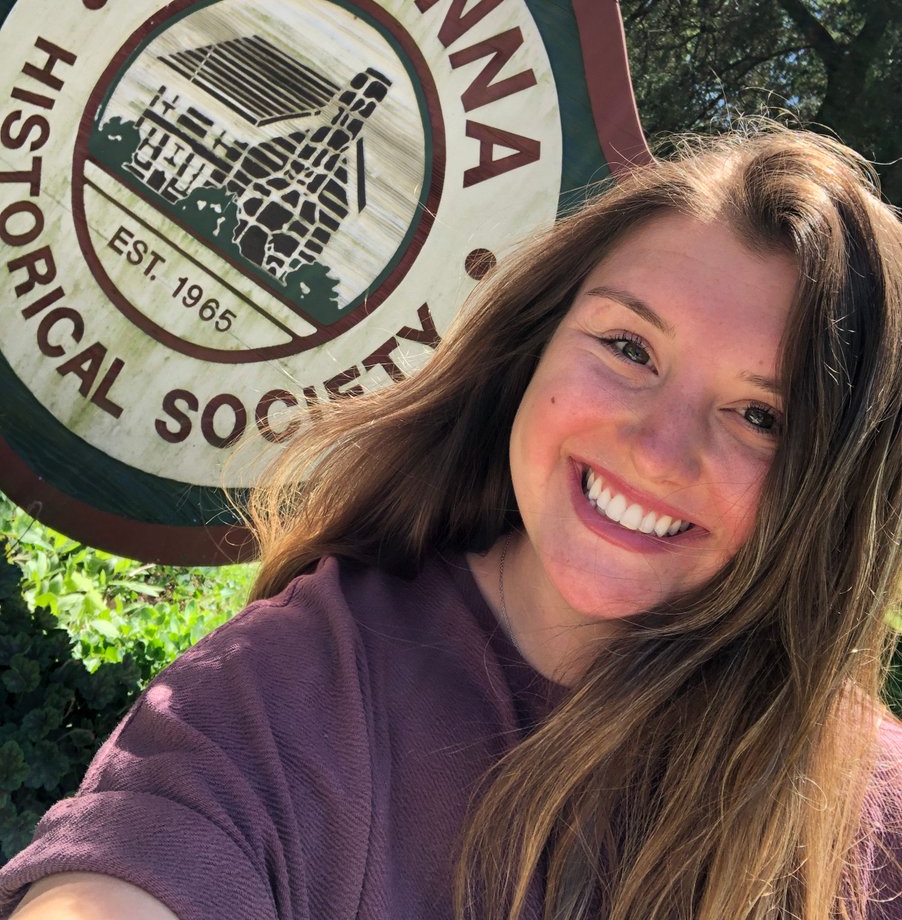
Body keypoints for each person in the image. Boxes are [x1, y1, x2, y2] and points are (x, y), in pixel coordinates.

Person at [1, 126, 901, 920]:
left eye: (761, 417)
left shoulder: (873, 820)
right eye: (628, 349)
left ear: (832, 494)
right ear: (532, 349)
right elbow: (140, 861)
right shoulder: (298, 690)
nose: (660, 452)